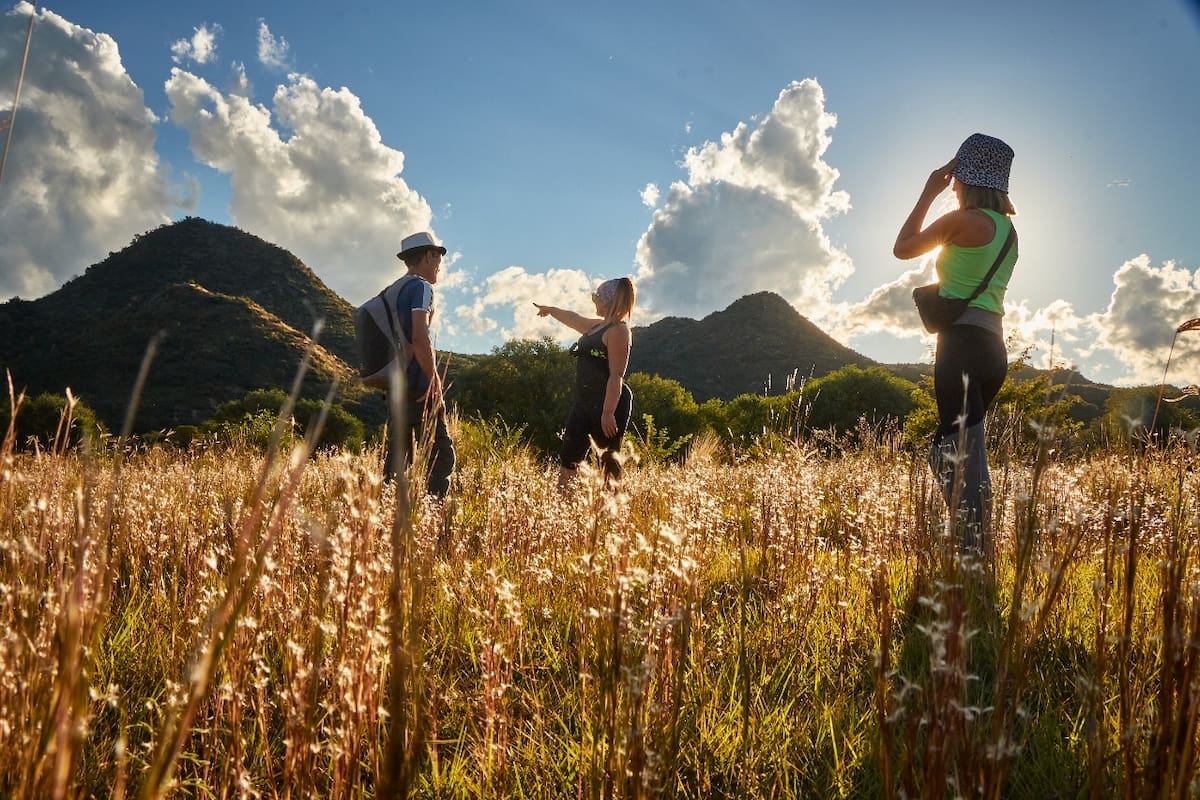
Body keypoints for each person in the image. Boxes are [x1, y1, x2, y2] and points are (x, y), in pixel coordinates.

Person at [893, 133, 1018, 550]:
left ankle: (975, 553)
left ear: (964, 179)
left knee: (959, 453)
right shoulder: (1009, 232)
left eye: (956, 178)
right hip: (993, 348)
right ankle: (970, 541)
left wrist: (928, 192)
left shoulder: (962, 222)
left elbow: (902, 249)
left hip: (960, 346)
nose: (954, 186)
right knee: (954, 449)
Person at [534, 277, 636, 491]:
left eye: (596, 297)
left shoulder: (618, 331)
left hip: (607, 403)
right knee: (569, 456)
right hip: (583, 402)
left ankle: (611, 507)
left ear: (608, 301)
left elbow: (616, 375)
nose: (594, 301)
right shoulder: (597, 326)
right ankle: (562, 504)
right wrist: (550, 310)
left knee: (607, 462)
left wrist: (608, 413)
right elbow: (573, 318)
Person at [385, 231, 456, 499]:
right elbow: (419, 336)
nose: (439, 265)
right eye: (437, 258)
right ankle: (433, 513)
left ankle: (388, 511)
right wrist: (434, 381)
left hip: (395, 386)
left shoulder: (392, 291)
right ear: (428, 256)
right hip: (419, 387)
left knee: (398, 458)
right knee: (441, 456)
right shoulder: (422, 288)